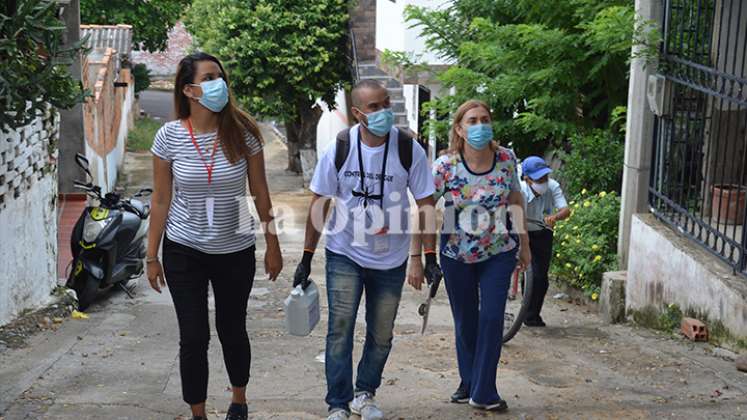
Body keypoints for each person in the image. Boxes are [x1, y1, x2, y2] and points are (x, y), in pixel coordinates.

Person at [145, 52, 283, 420]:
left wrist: (272, 243)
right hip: (183, 249)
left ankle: (238, 401)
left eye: (219, 76)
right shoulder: (169, 136)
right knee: (193, 336)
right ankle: (199, 413)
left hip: (235, 249)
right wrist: (151, 255)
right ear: (189, 89)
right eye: (208, 78)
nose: (217, 83)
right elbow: (160, 199)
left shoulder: (244, 133)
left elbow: (260, 192)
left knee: (232, 328)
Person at [293, 79, 440, 420]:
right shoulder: (340, 147)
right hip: (345, 252)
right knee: (340, 328)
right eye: (375, 107)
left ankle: (365, 393)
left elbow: (426, 202)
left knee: (382, 332)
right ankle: (338, 403)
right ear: (358, 113)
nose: (384, 112)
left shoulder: (408, 148)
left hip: (390, 258)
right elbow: (320, 203)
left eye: (386, 104)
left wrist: (429, 256)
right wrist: (306, 257)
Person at [424, 99, 530, 412]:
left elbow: (515, 199)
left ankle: (484, 391)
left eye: (484, 119)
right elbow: (426, 206)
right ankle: (468, 382)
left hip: (499, 251)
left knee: (492, 317)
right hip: (456, 253)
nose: (480, 125)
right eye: (472, 120)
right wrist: (424, 254)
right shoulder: (446, 166)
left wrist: (524, 245)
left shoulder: (506, 159)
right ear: (459, 128)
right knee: (466, 321)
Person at [519, 156, 570, 327]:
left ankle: (532, 315)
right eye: (538, 179)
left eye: (544, 178)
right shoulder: (520, 191)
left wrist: (554, 217)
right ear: (527, 179)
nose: (543, 181)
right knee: (528, 272)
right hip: (521, 231)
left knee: (541, 277)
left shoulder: (553, 186)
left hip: (542, 233)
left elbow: (565, 210)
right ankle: (524, 308)